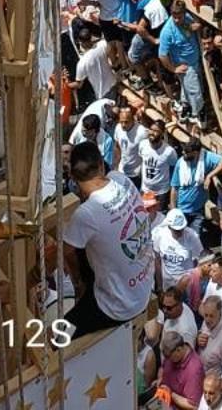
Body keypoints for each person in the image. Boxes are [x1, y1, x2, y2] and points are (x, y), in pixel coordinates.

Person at [63, 138, 155, 335]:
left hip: (118, 306)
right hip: (143, 286)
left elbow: (65, 252)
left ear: (72, 176)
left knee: (58, 333)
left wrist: (77, 283)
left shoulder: (86, 214)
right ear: (100, 166)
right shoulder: (122, 180)